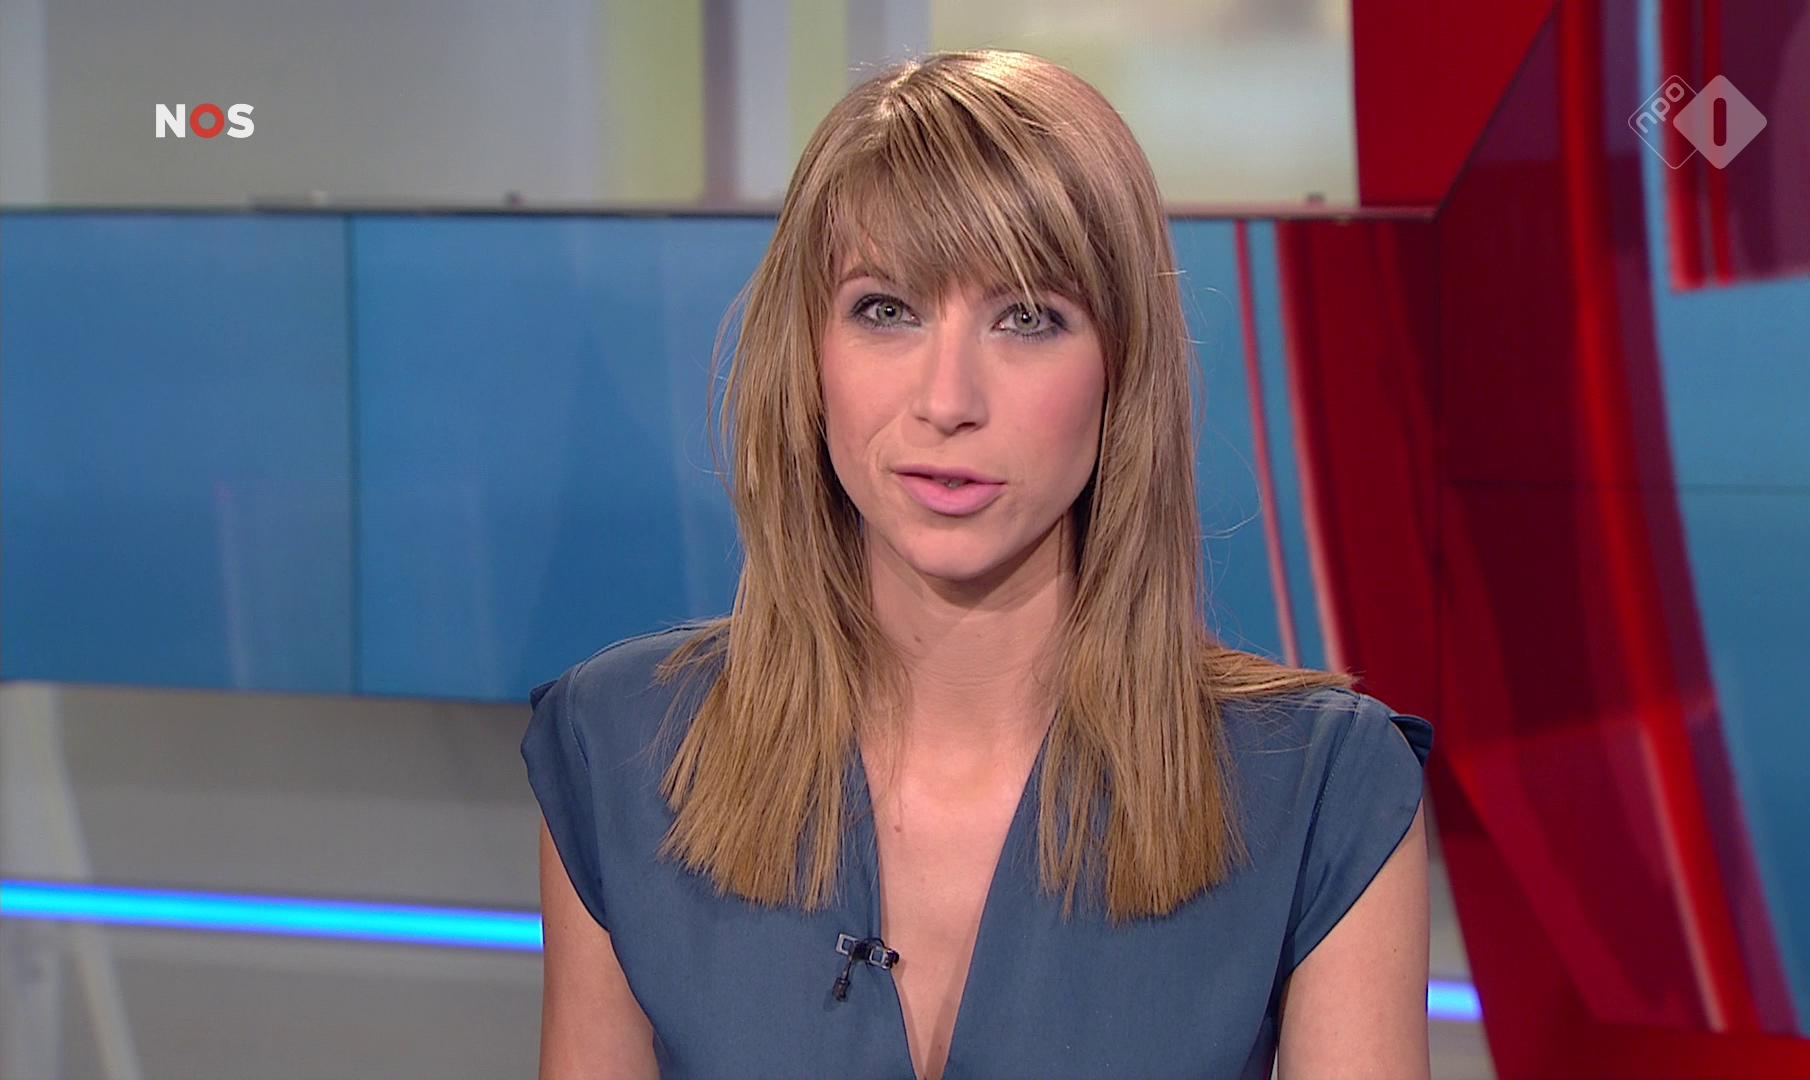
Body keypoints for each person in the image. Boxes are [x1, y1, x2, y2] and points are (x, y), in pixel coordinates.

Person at [523, 47, 1434, 1080]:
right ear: (809, 355)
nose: (947, 399)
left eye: (1028, 318)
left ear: (1121, 371)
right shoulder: (622, 753)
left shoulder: (1320, 789)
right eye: (887, 310)